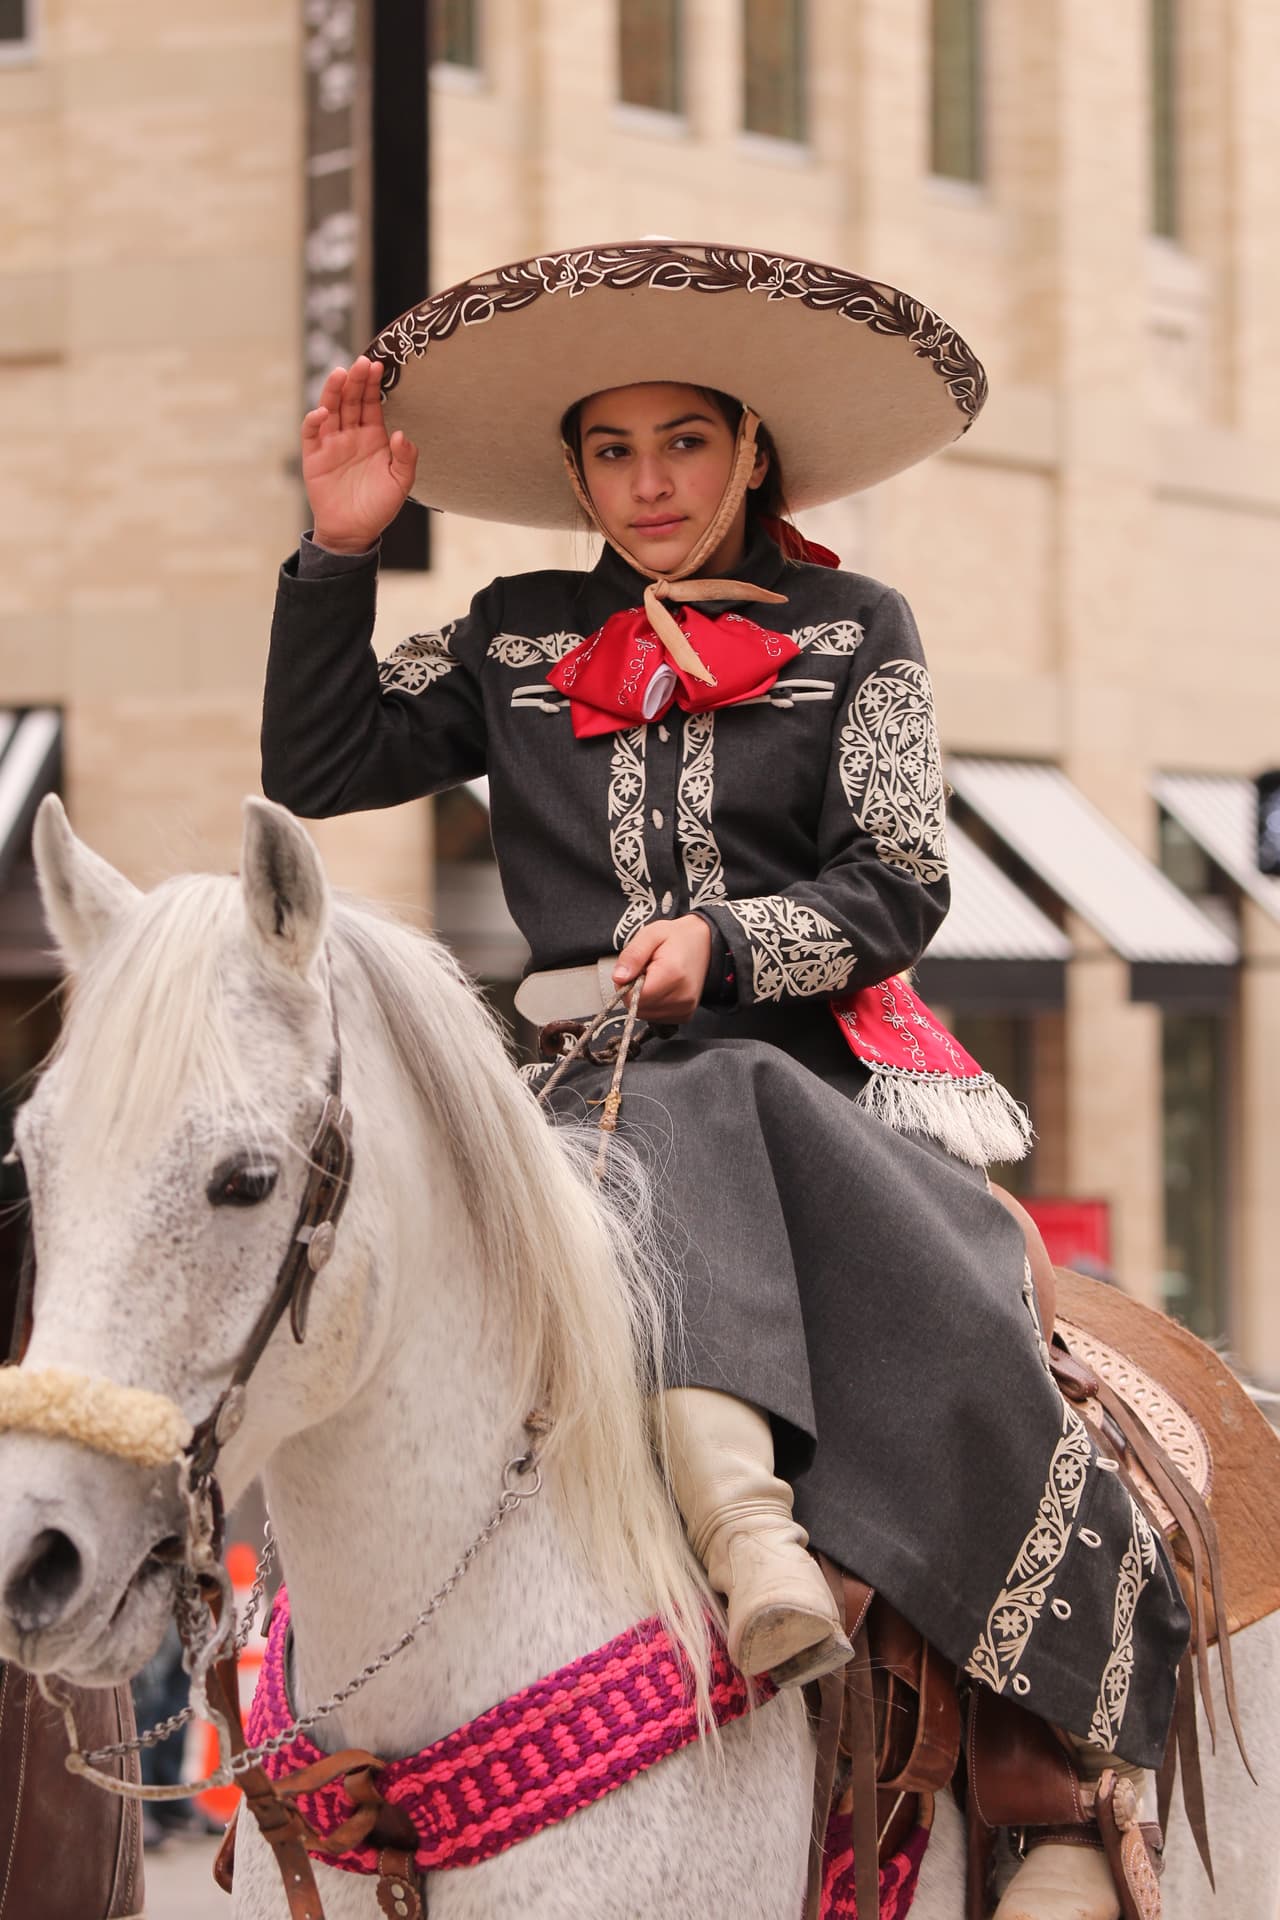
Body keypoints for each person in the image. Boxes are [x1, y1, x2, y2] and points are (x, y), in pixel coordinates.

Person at [261, 240, 1187, 1920]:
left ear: (752, 446)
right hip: (577, 1110)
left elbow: (902, 873)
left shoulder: (859, 631)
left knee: (986, 1339)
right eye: (610, 452)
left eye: (682, 441)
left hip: (816, 1093)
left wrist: (726, 944)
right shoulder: (515, 638)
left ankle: (1035, 1775)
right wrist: (339, 555)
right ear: (572, 474)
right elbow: (319, 764)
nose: (649, 482)